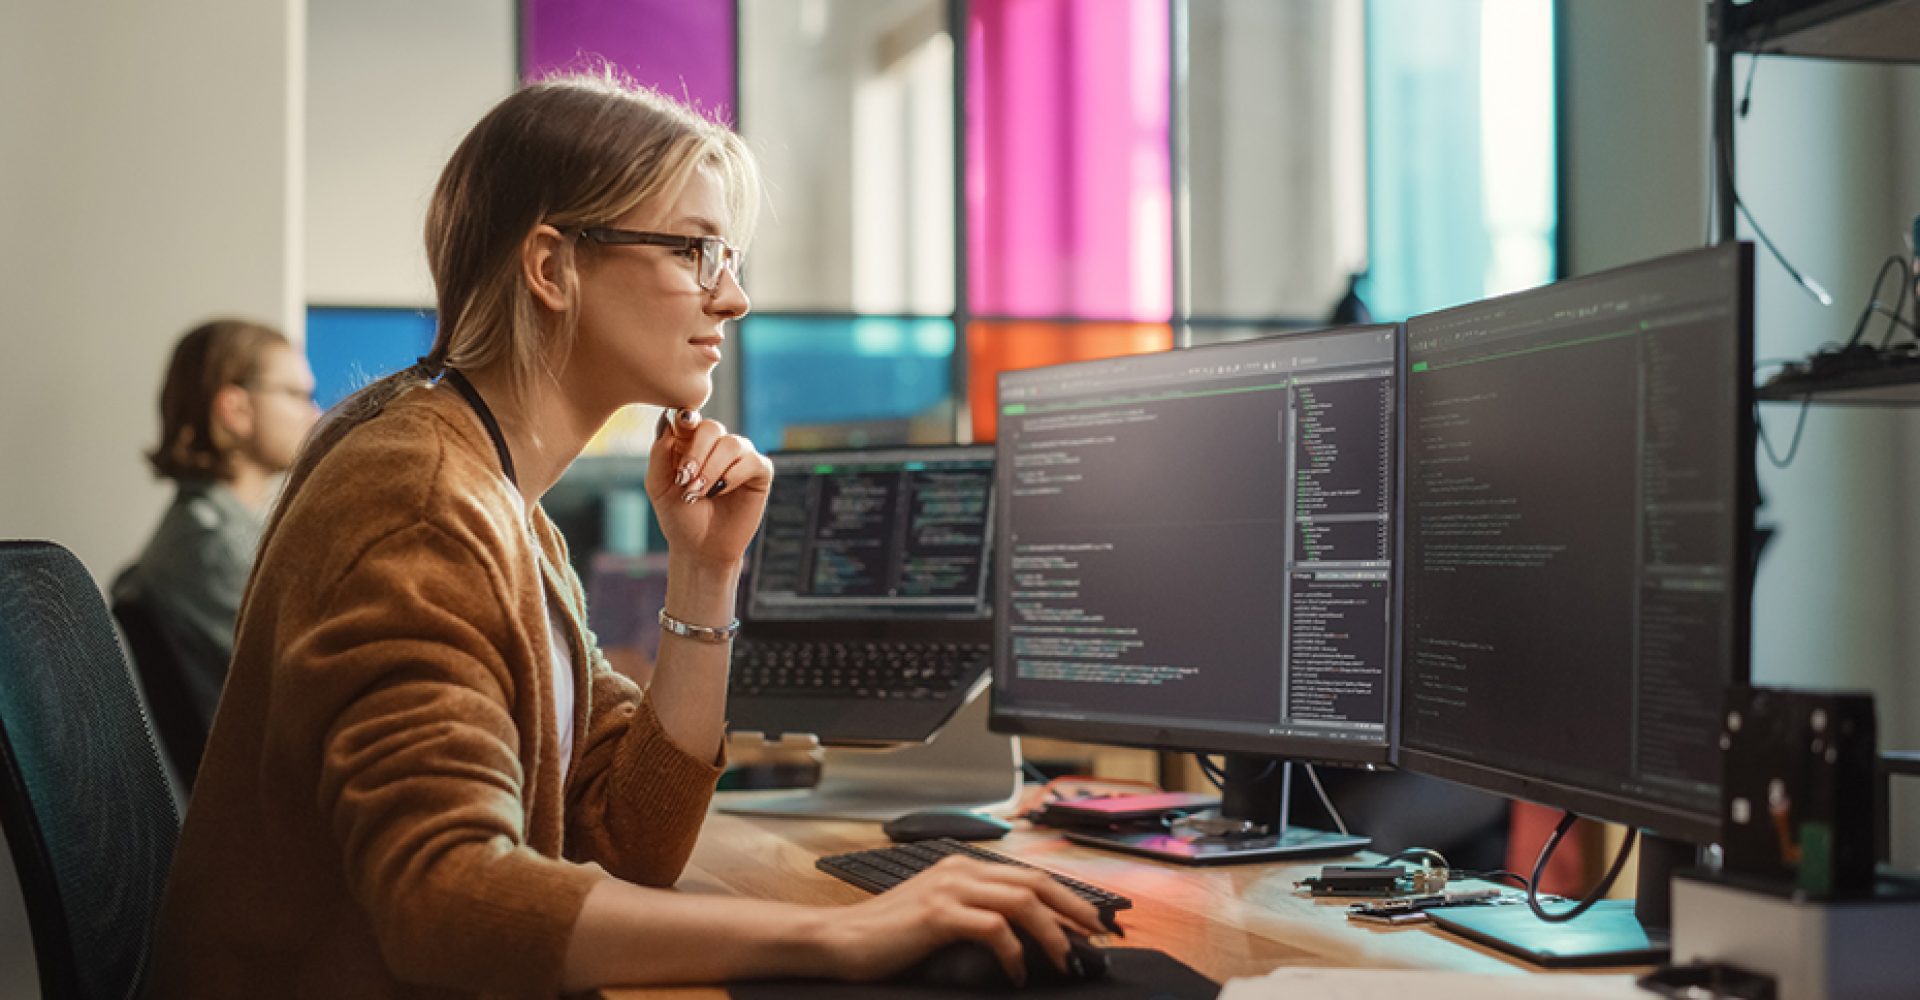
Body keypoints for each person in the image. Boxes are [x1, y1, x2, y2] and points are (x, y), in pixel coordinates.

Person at [146, 74, 1100, 998]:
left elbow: (630, 834)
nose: (734, 298)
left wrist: (704, 570)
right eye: (696, 251)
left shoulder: (499, 493)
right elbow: (443, 897)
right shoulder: (423, 498)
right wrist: (843, 934)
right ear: (552, 267)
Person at [113, 318, 319, 786]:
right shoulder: (211, 548)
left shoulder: (221, 533)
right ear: (235, 409)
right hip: (271, 801)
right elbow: (309, 691)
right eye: (296, 394)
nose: (315, 412)